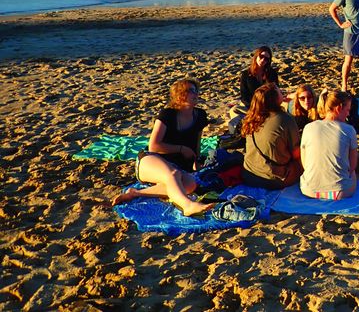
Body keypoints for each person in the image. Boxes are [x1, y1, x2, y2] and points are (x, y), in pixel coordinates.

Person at [111, 79, 213, 217]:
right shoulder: (168, 114)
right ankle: (187, 205)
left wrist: (196, 162)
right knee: (173, 174)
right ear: (179, 94)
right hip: (151, 159)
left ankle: (135, 193)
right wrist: (181, 149)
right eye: (190, 90)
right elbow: (154, 145)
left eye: (196, 90)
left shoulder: (200, 115)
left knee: (190, 185)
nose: (195, 94)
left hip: (176, 165)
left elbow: (197, 141)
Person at [299, 89, 359, 200]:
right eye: (347, 110)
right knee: (353, 173)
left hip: (308, 190)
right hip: (340, 193)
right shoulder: (349, 130)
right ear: (339, 108)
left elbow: (304, 163)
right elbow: (353, 166)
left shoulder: (308, 127)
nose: (348, 114)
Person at [241, 83, 302, 189]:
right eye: (279, 92)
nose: (281, 92)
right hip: (273, 179)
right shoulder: (285, 119)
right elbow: (296, 153)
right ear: (274, 99)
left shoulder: (252, 118)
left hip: (249, 174)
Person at [228, 45, 280, 134]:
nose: (263, 60)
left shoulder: (271, 73)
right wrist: (254, 107)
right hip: (252, 105)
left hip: (268, 105)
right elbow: (244, 96)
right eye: (261, 56)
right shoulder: (246, 75)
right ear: (256, 56)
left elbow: (276, 91)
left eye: (266, 59)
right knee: (234, 110)